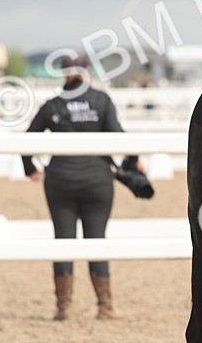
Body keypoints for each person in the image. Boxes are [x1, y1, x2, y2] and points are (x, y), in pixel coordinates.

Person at [23, 53, 141, 320]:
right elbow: (119, 135)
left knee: (63, 240)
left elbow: (27, 140)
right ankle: (105, 307)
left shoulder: (52, 104)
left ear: (62, 73)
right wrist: (133, 161)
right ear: (87, 70)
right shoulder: (101, 100)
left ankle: (63, 307)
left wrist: (30, 168)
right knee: (96, 239)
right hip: (97, 180)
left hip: (60, 180)